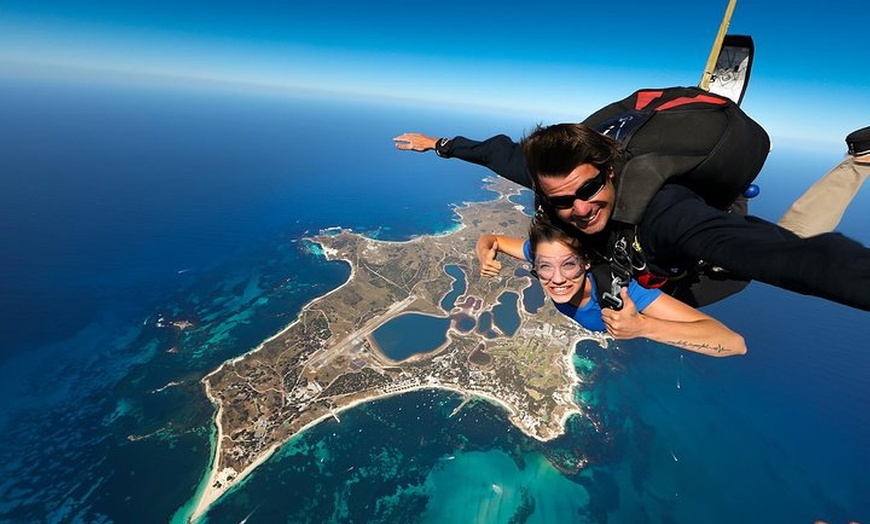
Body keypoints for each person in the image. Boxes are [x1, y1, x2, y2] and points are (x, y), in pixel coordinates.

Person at [394, 89, 870, 311]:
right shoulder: (554, 185)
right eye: (563, 201)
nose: (579, 208)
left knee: (776, 247)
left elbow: (789, 258)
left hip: (699, 261)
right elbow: (498, 153)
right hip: (654, 265)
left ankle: (859, 162)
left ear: (611, 170)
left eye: (589, 189)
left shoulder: (663, 213)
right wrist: (438, 144)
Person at [475, 215, 746, 357]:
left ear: (587, 263)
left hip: (691, 283)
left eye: (569, 265)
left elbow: (734, 343)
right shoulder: (544, 253)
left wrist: (642, 326)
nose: (556, 279)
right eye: (544, 267)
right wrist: (484, 254)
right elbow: (490, 239)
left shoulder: (623, 292)